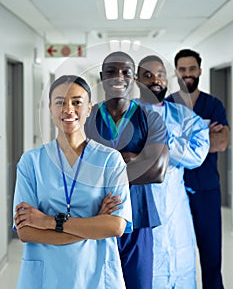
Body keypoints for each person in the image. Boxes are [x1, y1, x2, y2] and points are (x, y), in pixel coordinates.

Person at [13, 75, 133, 289]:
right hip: (46, 277)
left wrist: (48, 222)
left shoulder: (110, 160)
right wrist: (95, 223)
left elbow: (115, 226)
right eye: (60, 102)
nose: (68, 109)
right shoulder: (31, 162)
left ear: (88, 109)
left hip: (96, 275)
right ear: (50, 108)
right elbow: (25, 232)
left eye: (77, 102)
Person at [85, 51, 169, 289]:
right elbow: (79, 168)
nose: (118, 77)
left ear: (134, 79)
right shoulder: (88, 117)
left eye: (125, 72)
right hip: (95, 215)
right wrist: (134, 158)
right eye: (111, 72)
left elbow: (158, 172)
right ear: (102, 77)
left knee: (139, 284)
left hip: (139, 216)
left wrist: (105, 164)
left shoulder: (150, 119)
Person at [136, 55, 210, 289]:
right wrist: (175, 145)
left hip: (176, 207)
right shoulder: (126, 115)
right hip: (140, 206)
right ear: (137, 80)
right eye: (147, 75)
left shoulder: (184, 117)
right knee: (144, 272)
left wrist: (159, 137)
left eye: (159, 74)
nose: (154, 80)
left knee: (182, 268)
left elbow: (197, 155)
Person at [166, 49, 230, 289]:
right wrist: (203, 137)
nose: (188, 74)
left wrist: (178, 142)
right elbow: (157, 146)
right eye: (182, 69)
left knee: (211, 257)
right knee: (174, 256)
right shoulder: (168, 104)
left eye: (192, 69)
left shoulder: (213, 104)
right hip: (174, 193)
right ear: (176, 72)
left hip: (206, 191)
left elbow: (222, 142)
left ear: (200, 70)